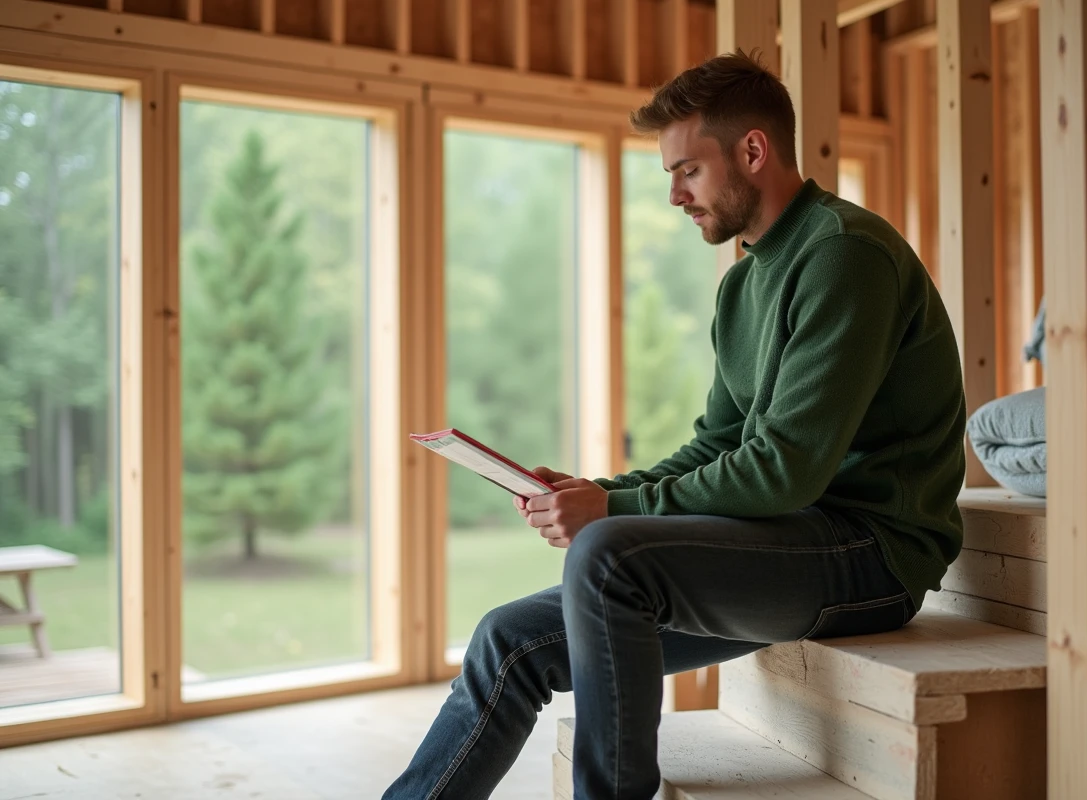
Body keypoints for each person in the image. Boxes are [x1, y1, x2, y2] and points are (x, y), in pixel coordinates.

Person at [382, 49, 966, 800]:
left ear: (753, 150)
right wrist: (602, 490)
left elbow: (785, 470)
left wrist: (611, 512)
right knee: (508, 640)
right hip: (786, 544)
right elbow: (720, 446)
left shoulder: (843, 255)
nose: (674, 195)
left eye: (686, 170)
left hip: (870, 554)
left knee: (611, 555)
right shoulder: (745, 285)